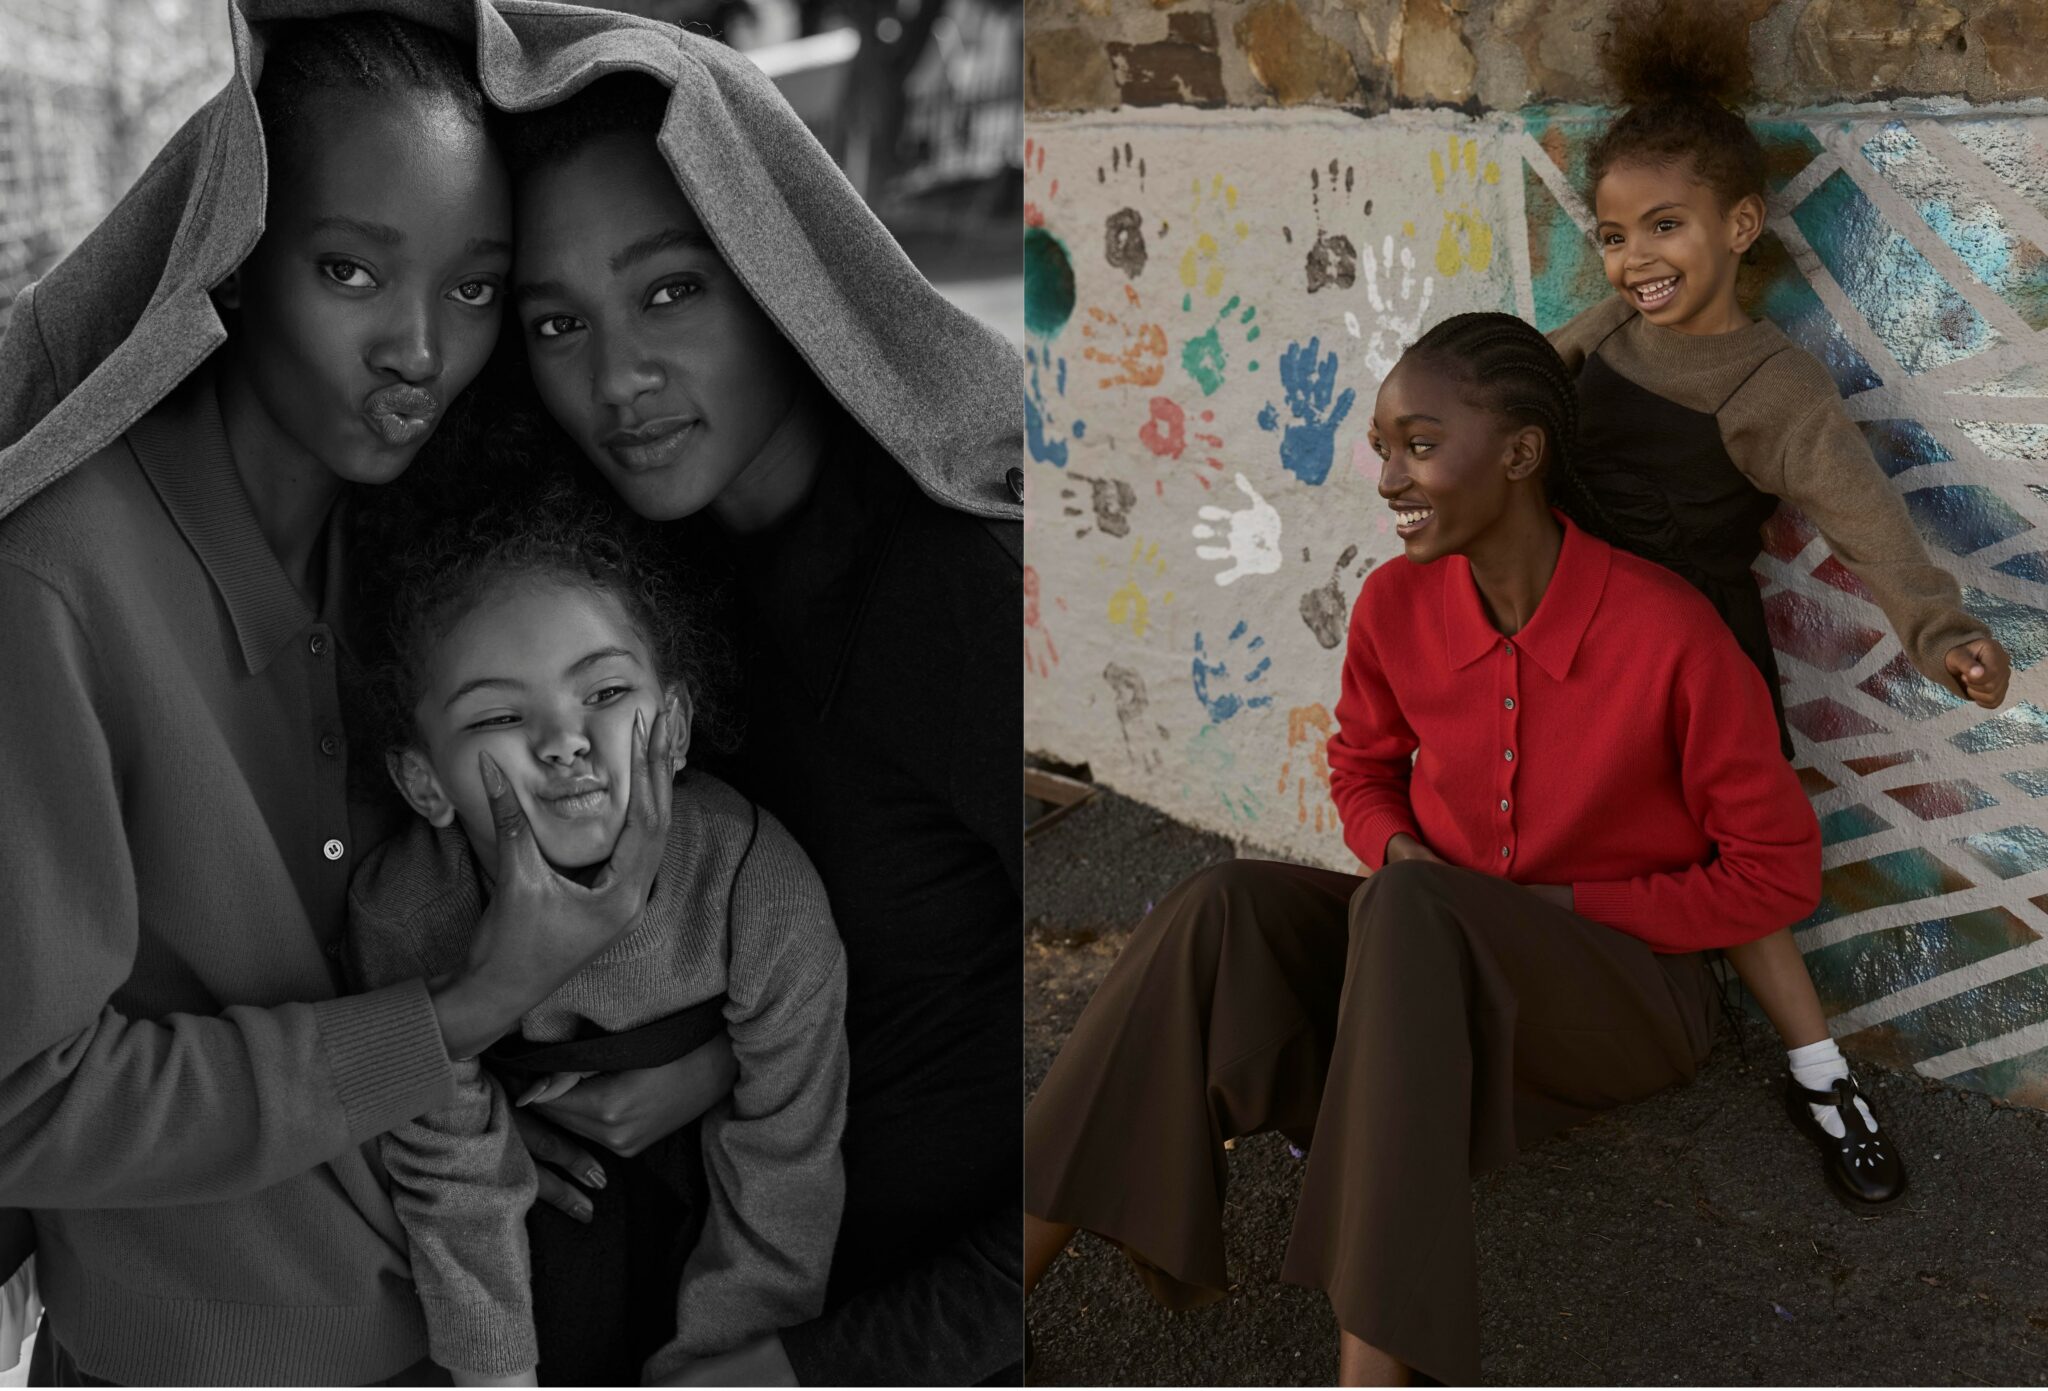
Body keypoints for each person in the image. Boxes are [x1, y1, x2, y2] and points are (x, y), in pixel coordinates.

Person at [0, 10, 686, 1385]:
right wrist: (446, 1024)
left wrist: (470, 1085)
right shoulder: (56, 584)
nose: (421, 349)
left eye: (476, 289)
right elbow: (28, 1101)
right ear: (237, 264)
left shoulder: (424, 546)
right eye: (351, 270)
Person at [1022, 313, 1824, 1387]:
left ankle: (1374, 1373)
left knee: (1406, 910)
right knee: (1222, 903)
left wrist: (1558, 904)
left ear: (1518, 452)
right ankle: (988, 1303)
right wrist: (1397, 847)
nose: (1386, 475)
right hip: (1426, 955)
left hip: (1621, 995)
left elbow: (1773, 872)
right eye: (1381, 445)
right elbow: (1359, 770)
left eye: (1416, 443)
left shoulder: (1667, 631)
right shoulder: (1393, 603)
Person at [494, 66, 1023, 1386]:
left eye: (671, 290)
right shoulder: (629, 602)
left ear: (783, 274)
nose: (619, 377)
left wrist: (823, 1367)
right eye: (556, 322)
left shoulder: (966, 591)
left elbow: (1148, 1095)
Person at [1546, 0, 2010, 1204]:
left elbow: (1865, 519)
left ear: (1736, 225)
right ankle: (1478, 1035)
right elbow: (1493, 404)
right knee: (1546, 829)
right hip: (1567, 645)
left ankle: (1819, 1071)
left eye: (1664, 226)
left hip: (1693, 665)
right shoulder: (1595, 339)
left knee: (1737, 865)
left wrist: (1939, 627)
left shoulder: (1768, 381)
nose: (1635, 257)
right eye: (1610, 234)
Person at [344, 480, 849, 1388]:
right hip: (524, 1230)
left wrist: (724, 1366)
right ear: (424, 784)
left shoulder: (753, 882)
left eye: (607, 691)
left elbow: (788, 1159)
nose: (563, 741)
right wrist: (498, 1375)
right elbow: (452, 1172)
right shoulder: (408, 915)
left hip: (710, 1211)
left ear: (679, 723)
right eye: (500, 715)